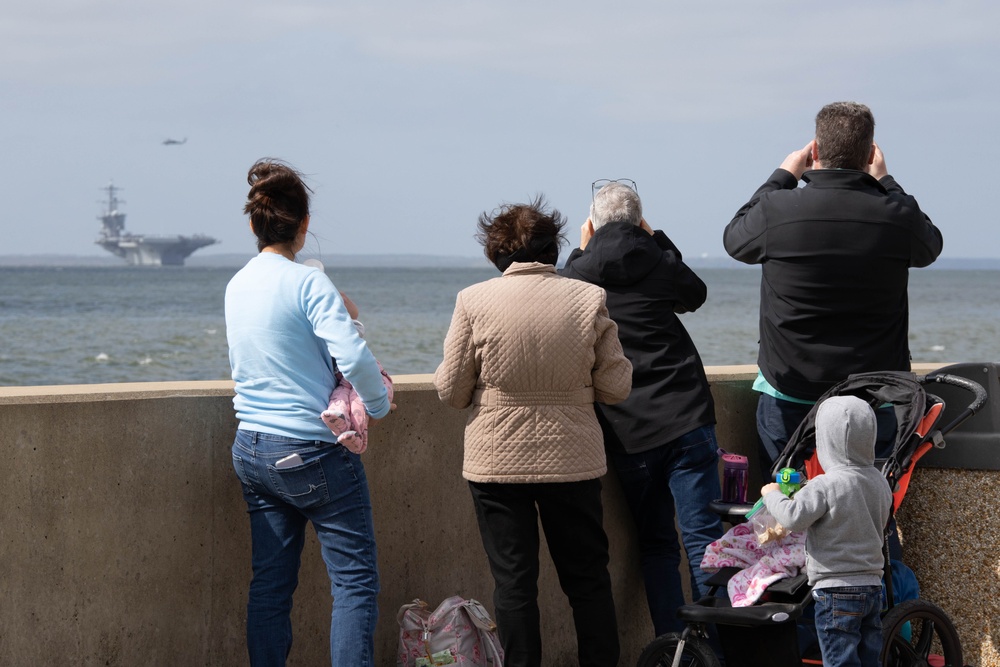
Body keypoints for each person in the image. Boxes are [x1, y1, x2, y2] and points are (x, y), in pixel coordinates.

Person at [434, 196, 632, 667]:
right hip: (573, 459)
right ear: (553, 250)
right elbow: (616, 385)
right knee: (587, 580)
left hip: (496, 461)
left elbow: (451, 390)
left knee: (514, 584)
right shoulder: (588, 298)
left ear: (497, 254)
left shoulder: (473, 300)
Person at [225, 158, 392, 666]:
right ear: (304, 224)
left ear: (254, 224)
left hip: (251, 447)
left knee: (271, 586)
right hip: (312, 452)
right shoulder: (308, 283)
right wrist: (379, 404)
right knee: (355, 582)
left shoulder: (237, 285)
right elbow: (354, 355)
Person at [724, 101, 943, 476]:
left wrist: (782, 175)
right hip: (873, 395)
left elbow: (734, 239)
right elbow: (930, 245)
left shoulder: (776, 209)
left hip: (790, 389)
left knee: (787, 515)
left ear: (815, 150)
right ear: (870, 153)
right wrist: (887, 181)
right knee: (872, 510)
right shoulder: (896, 214)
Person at [560, 180, 724, 636]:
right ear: (640, 221)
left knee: (656, 547)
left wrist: (580, 250)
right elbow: (696, 294)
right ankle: (722, 650)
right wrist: (657, 239)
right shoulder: (658, 259)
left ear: (591, 224)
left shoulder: (579, 273)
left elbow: (565, 308)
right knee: (705, 543)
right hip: (687, 416)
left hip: (628, 427)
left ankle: (676, 651)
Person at [761, 395, 892, 667]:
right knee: (870, 660)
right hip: (871, 586)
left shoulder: (825, 484)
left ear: (825, 441)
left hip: (836, 590)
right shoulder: (879, 481)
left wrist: (771, 495)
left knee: (840, 661)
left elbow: (793, 517)